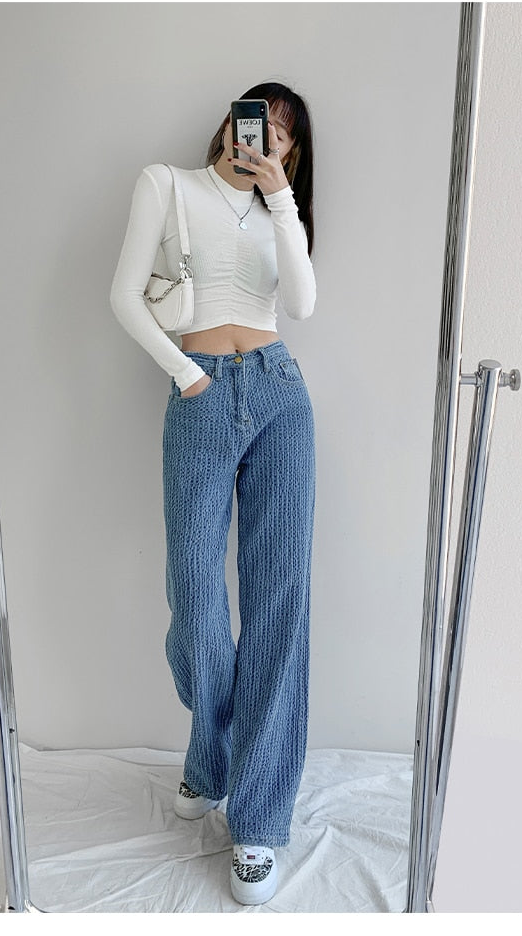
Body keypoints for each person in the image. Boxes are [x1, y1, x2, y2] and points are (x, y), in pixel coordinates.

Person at [110, 81, 316, 906]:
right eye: (254, 119)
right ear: (230, 123)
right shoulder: (167, 184)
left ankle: (258, 822)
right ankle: (212, 753)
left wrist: (282, 199)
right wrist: (187, 375)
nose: (262, 138)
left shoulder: (278, 212)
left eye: (282, 136)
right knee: (194, 592)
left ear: (291, 152)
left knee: (279, 601)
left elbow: (301, 303)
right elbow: (124, 296)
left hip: (279, 395)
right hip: (197, 394)